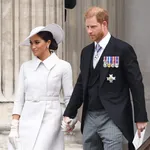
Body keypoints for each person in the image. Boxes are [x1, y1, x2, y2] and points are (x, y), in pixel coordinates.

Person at [62, 6, 148, 150]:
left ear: (104, 24)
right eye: (87, 27)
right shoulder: (86, 52)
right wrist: (69, 113)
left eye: (93, 27)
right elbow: (81, 84)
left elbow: (136, 84)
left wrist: (140, 117)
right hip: (90, 116)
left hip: (113, 116)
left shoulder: (122, 49)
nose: (89, 31)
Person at [8, 23, 73, 150]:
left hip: (51, 119)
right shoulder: (26, 67)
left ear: (48, 43)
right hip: (27, 119)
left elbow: (69, 97)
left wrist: (70, 118)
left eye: (37, 42)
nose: (33, 47)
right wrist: (14, 126)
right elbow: (19, 97)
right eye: (31, 43)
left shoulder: (63, 66)